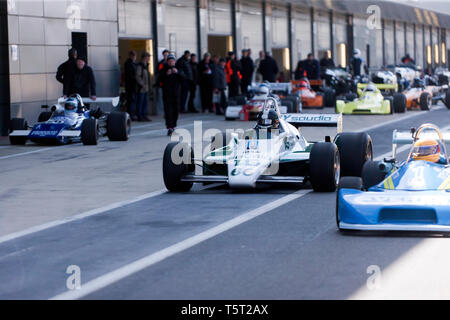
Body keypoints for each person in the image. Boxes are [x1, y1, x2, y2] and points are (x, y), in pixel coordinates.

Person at [156, 54, 186, 136]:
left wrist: (178, 73)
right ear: (167, 62)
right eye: (169, 61)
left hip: (176, 94)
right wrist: (166, 74)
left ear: (174, 62)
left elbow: (183, 79)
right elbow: (158, 80)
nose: (171, 62)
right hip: (167, 94)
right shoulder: (163, 69)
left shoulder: (178, 68)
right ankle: (170, 127)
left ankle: (173, 126)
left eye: (172, 61)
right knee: (168, 111)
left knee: (175, 110)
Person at [135, 52, 152, 121]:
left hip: (146, 88)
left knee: (145, 102)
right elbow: (137, 76)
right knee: (140, 102)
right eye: (148, 57)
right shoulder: (140, 66)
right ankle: (140, 116)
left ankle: (144, 115)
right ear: (145, 58)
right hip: (141, 88)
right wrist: (142, 84)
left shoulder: (146, 65)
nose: (149, 59)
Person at [124, 50, 138, 120]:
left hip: (133, 86)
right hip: (130, 86)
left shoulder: (134, 63)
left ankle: (132, 114)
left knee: (133, 101)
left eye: (135, 56)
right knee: (131, 101)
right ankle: (130, 115)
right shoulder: (128, 64)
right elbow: (130, 76)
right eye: (133, 56)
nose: (134, 57)